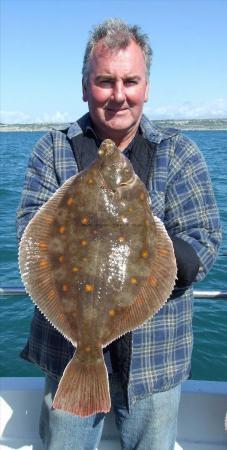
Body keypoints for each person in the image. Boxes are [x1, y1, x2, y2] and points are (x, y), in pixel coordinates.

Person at [17, 18, 221, 450]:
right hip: (66, 355)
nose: (118, 94)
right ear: (85, 85)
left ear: (147, 87)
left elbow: (205, 240)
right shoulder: (52, 150)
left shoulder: (178, 151)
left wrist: (155, 251)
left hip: (156, 361)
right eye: (105, 80)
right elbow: (29, 233)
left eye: (130, 80)